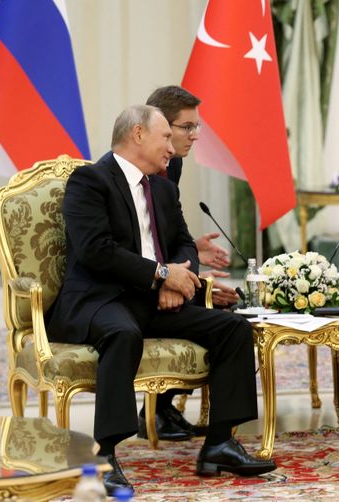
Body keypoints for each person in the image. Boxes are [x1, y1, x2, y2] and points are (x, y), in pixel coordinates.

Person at [47, 105, 276, 494]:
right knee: (122, 333)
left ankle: (219, 443)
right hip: (100, 299)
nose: (174, 145)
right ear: (138, 134)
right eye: (166, 136)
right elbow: (96, 251)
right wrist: (160, 274)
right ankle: (106, 455)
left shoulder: (165, 187)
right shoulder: (91, 181)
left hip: (154, 299)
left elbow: (183, 242)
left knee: (233, 328)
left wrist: (176, 278)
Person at [135, 86, 239, 442]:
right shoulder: (125, 171)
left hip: (161, 270)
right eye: (186, 127)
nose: (195, 136)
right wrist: (169, 278)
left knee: (222, 303)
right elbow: (130, 239)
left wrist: (190, 259)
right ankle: (157, 409)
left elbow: (162, 228)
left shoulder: (172, 165)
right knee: (205, 300)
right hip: (135, 282)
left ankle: (165, 407)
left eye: (197, 127)